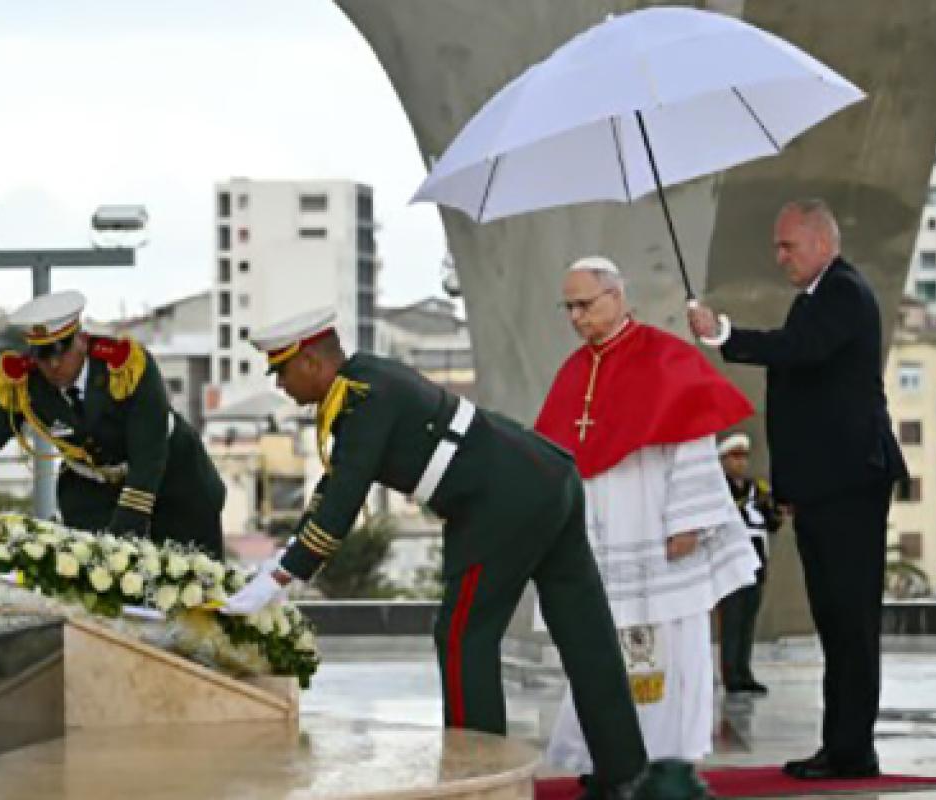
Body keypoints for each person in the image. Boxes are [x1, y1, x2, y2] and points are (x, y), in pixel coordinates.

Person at [224, 308, 657, 800]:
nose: (281, 385)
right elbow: (333, 487)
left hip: (503, 502)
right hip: (544, 477)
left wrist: (281, 577)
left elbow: (345, 497)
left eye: (281, 371)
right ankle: (624, 774)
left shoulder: (363, 399)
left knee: (462, 635)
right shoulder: (365, 382)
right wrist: (284, 560)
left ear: (310, 362)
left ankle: (481, 778)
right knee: (585, 632)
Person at [688, 198, 907, 780]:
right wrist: (790, 486)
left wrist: (724, 333)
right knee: (835, 619)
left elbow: (798, 353)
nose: (778, 255)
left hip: (850, 481)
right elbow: (803, 395)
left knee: (850, 621)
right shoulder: (816, 297)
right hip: (827, 484)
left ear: (821, 242)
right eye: (777, 245)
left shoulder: (842, 292)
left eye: (788, 245)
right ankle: (841, 744)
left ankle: (852, 750)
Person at [535, 257, 759, 797]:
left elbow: (692, 439)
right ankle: (604, 757)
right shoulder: (573, 371)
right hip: (599, 542)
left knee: (666, 647)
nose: (576, 317)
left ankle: (667, 763)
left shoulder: (665, 358)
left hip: (658, 533)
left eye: (584, 304)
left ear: (616, 297)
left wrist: (687, 519)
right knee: (598, 646)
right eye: (568, 307)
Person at [0, 290, 225, 554]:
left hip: (174, 481)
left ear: (81, 340)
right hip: (92, 491)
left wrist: (121, 540)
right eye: (42, 355)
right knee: (95, 594)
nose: (53, 364)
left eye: (61, 350)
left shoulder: (125, 366)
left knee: (189, 586)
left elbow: (149, 456)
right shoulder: (26, 383)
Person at [716, 432, 782, 695]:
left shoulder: (757, 489)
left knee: (748, 618)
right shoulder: (720, 490)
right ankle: (731, 674)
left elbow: (772, 523)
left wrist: (775, 510)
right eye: (734, 457)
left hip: (755, 556)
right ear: (722, 460)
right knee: (731, 618)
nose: (741, 462)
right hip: (730, 557)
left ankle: (744, 671)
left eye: (744, 457)